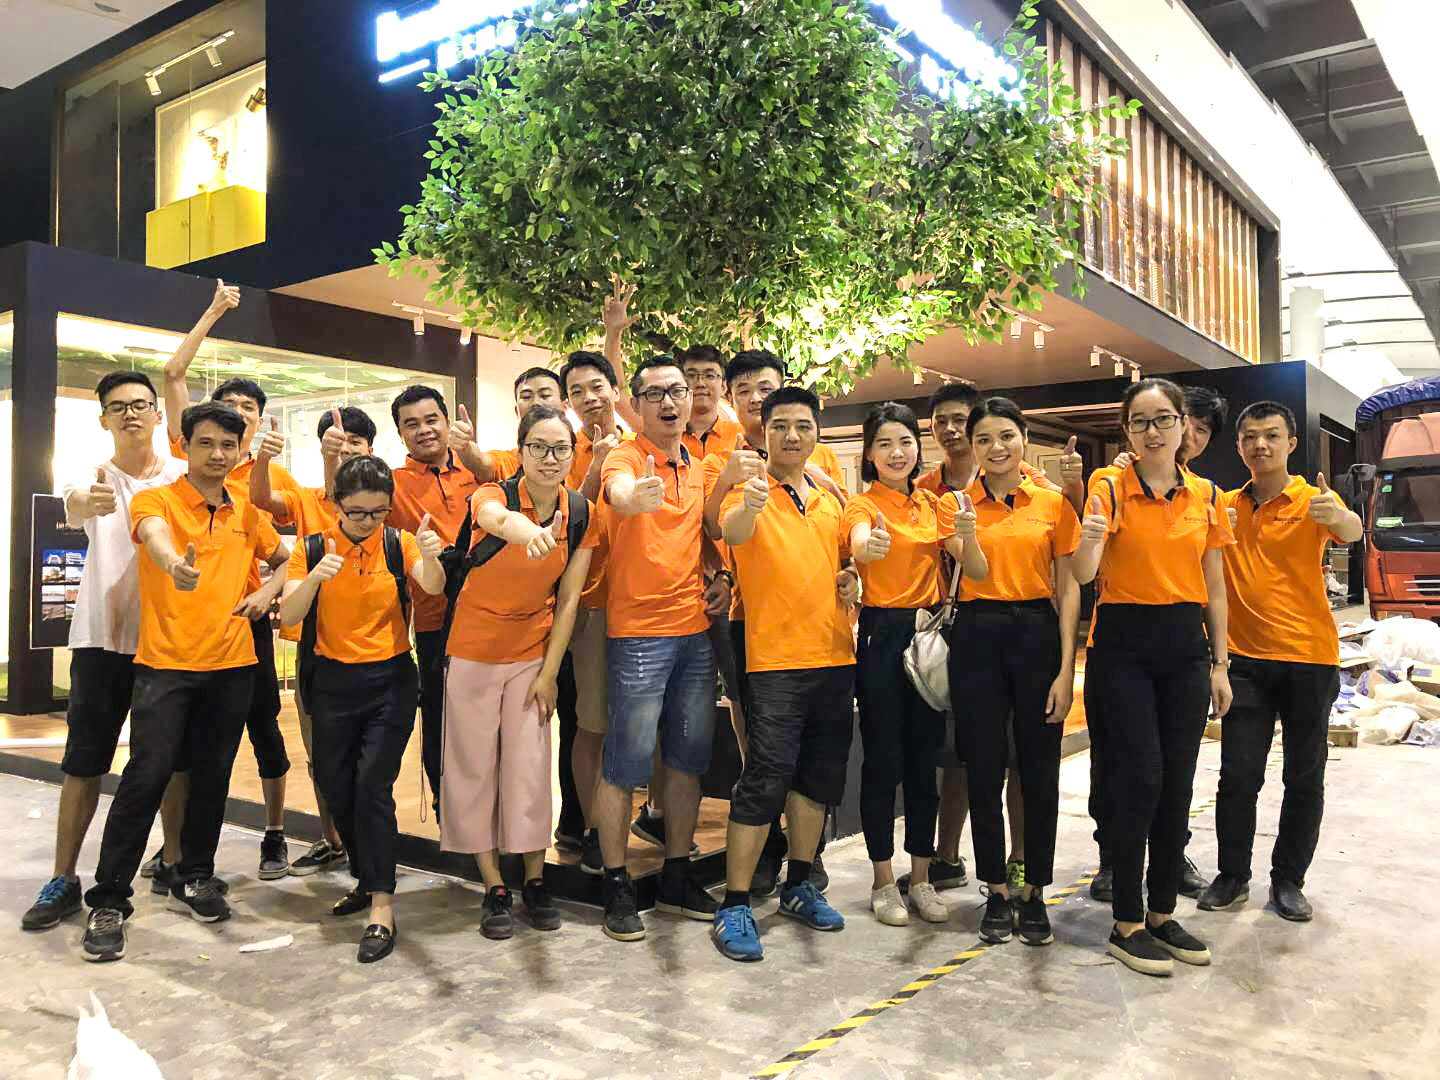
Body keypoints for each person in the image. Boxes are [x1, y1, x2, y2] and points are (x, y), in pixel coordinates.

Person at [80, 403, 288, 962]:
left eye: (228, 445)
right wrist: (173, 563)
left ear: (240, 452)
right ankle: (109, 899)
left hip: (232, 665)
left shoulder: (247, 510)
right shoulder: (159, 500)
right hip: (166, 665)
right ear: (186, 446)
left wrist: (268, 591)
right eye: (206, 443)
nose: (217, 454)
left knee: (212, 777)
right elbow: (151, 535)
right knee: (146, 775)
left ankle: (195, 875)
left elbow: (285, 558)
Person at [1071, 377, 1233, 977]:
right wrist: (1090, 541)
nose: (1153, 431)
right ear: (1127, 432)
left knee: (1178, 783)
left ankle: (1163, 913)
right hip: (1123, 647)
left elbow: (1215, 585)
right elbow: (1084, 573)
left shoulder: (1206, 495)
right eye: (1140, 422)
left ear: (1184, 424)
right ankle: (1127, 921)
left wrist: (1220, 663)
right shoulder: (1109, 485)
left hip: (1185, 647)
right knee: (1139, 778)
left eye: (1163, 419)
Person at [21, 373, 189, 932]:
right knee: (84, 760)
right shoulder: (92, 477)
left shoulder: (181, 477)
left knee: (172, 760)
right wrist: (84, 501)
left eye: (140, 404)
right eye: (118, 407)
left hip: (167, 639)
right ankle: (63, 877)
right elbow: (74, 501)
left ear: (158, 414)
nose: (131, 414)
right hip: (100, 640)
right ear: (104, 420)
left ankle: (174, 862)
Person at [712, 386, 860, 963]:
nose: (792, 436)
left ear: (816, 433)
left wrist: (852, 576)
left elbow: (844, 560)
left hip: (834, 656)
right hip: (773, 662)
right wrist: (750, 504)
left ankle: (799, 884)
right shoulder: (747, 491)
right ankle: (735, 904)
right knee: (764, 778)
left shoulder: (828, 498)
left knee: (816, 780)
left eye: (802, 425)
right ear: (764, 433)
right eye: (780, 426)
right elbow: (732, 532)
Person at [440, 406, 598, 939]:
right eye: (538, 447)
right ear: (521, 450)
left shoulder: (581, 512)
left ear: (572, 455)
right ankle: (493, 884)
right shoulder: (493, 494)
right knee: (473, 767)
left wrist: (550, 673)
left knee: (529, 769)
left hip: (532, 649)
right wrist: (528, 529)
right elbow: (495, 520)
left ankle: (534, 878)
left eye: (560, 449)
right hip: (472, 648)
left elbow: (570, 599)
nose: (550, 458)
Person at [278, 455, 443, 962]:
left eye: (378, 512)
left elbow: (432, 584)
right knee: (336, 785)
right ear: (337, 505)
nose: (368, 522)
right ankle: (366, 876)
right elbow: (288, 613)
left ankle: (382, 905)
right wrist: (314, 579)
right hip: (332, 683)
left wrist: (432, 556)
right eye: (357, 513)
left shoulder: (399, 543)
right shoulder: (312, 548)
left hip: (390, 680)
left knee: (372, 785)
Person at [1201, 402, 1361, 922]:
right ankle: (1232, 876)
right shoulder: (1224, 505)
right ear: (1238, 446)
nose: (1260, 445)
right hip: (1245, 662)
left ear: (1291, 443)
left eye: (1271, 436)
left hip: (1310, 659)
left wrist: (1339, 517)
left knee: (1304, 776)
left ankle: (1289, 881)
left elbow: (1352, 531)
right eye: (1250, 437)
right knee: (1238, 776)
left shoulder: (1315, 499)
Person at [162, 280, 299, 880]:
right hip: (189, 626)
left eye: (248, 408)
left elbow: (291, 551)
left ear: (260, 420)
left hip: (247, 626)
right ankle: (178, 849)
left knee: (265, 728)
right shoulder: (194, 458)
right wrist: (214, 311)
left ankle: (275, 833)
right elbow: (172, 375)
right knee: (190, 746)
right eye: (229, 406)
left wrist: (269, 592)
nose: (239, 415)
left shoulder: (269, 477)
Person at [941, 397, 1081, 947]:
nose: (995, 448)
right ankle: (996, 889)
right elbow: (971, 569)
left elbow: (1069, 587)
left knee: (1040, 768)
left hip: (1037, 632)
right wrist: (967, 531)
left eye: (1005, 436)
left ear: (1024, 438)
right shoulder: (956, 504)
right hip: (977, 635)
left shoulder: (1052, 503)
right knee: (983, 765)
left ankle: (1035, 889)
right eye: (984, 439)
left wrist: (1066, 669)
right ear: (972, 446)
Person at [594, 356, 723, 941]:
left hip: (694, 633)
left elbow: (707, 535)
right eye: (656, 394)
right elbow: (617, 491)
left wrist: (723, 573)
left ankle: (676, 873)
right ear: (637, 404)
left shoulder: (697, 463)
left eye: (678, 391)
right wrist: (633, 497)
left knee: (688, 760)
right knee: (625, 762)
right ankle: (616, 881)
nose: (670, 402)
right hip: (638, 635)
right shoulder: (626, 456)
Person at [252, 405, 379, 876]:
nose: (344, 450)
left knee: (369, 754)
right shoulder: (307, 499)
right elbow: (261, 498)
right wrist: (263, 457)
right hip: (314, 644)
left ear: (371, 450)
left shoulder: (381, 501)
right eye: (335, 443)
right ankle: (332, 839)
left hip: (371, 644)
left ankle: (368, 844)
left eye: (354, 444)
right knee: (320, 751)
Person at [842, 403, 952, 927]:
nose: (896, 452)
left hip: (929, 635)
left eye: (905, 442)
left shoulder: (933, 502)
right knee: (883, 760)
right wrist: (869, 546)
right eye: (884, 444)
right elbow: (859, 542)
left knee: (925, 762)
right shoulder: (862, 504)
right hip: (882, 636)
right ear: (869, 453)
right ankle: (883, 880)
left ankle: (922, 877)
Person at [386, 385, 483, 818]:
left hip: (489, 619)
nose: (424, 430)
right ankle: (449, 809)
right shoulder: (393, 483)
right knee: (440, 719)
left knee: (485, 719)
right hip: (432, 622)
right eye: (412, 424)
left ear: (447, 421)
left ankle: (486, 809)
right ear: (401, 434)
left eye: (431, 420)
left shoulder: (479, 471)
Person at [556, 349, 634, 873]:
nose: (588, 398)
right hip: (591, 603)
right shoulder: (563, 450)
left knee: (641, 724)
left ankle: (635, 822)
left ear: (614, 390)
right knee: (592, 722)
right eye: (577, 392)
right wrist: (593, 469)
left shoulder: (643, 442)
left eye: (596, 386)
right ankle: (590, 829)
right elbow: (563, 520)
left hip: (648, 605)